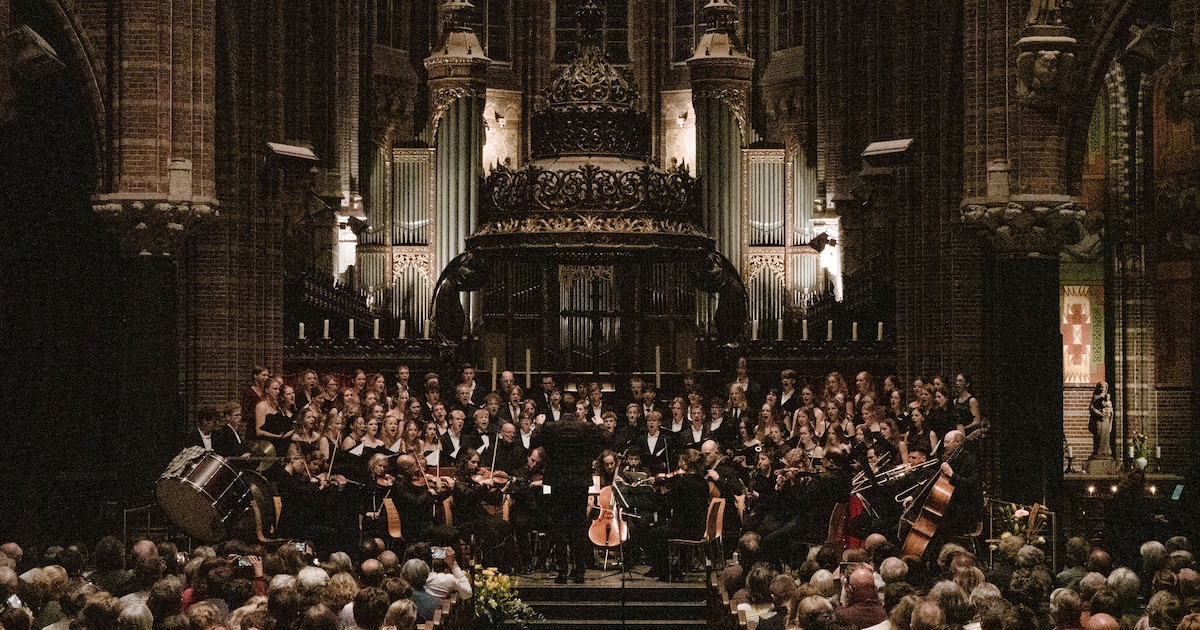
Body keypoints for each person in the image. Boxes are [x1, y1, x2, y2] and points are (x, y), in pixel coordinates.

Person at [538, 412, 609, 583]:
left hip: (558, 483)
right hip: (579, 484)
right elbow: (607, 440)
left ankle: (562, 572)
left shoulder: (551, 427)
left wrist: (540, 424)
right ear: (576, 414)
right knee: (578, 527)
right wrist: (600, 424)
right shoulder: (585, 427)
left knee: (559, 527)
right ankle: (579, 571)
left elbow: (534, 441)